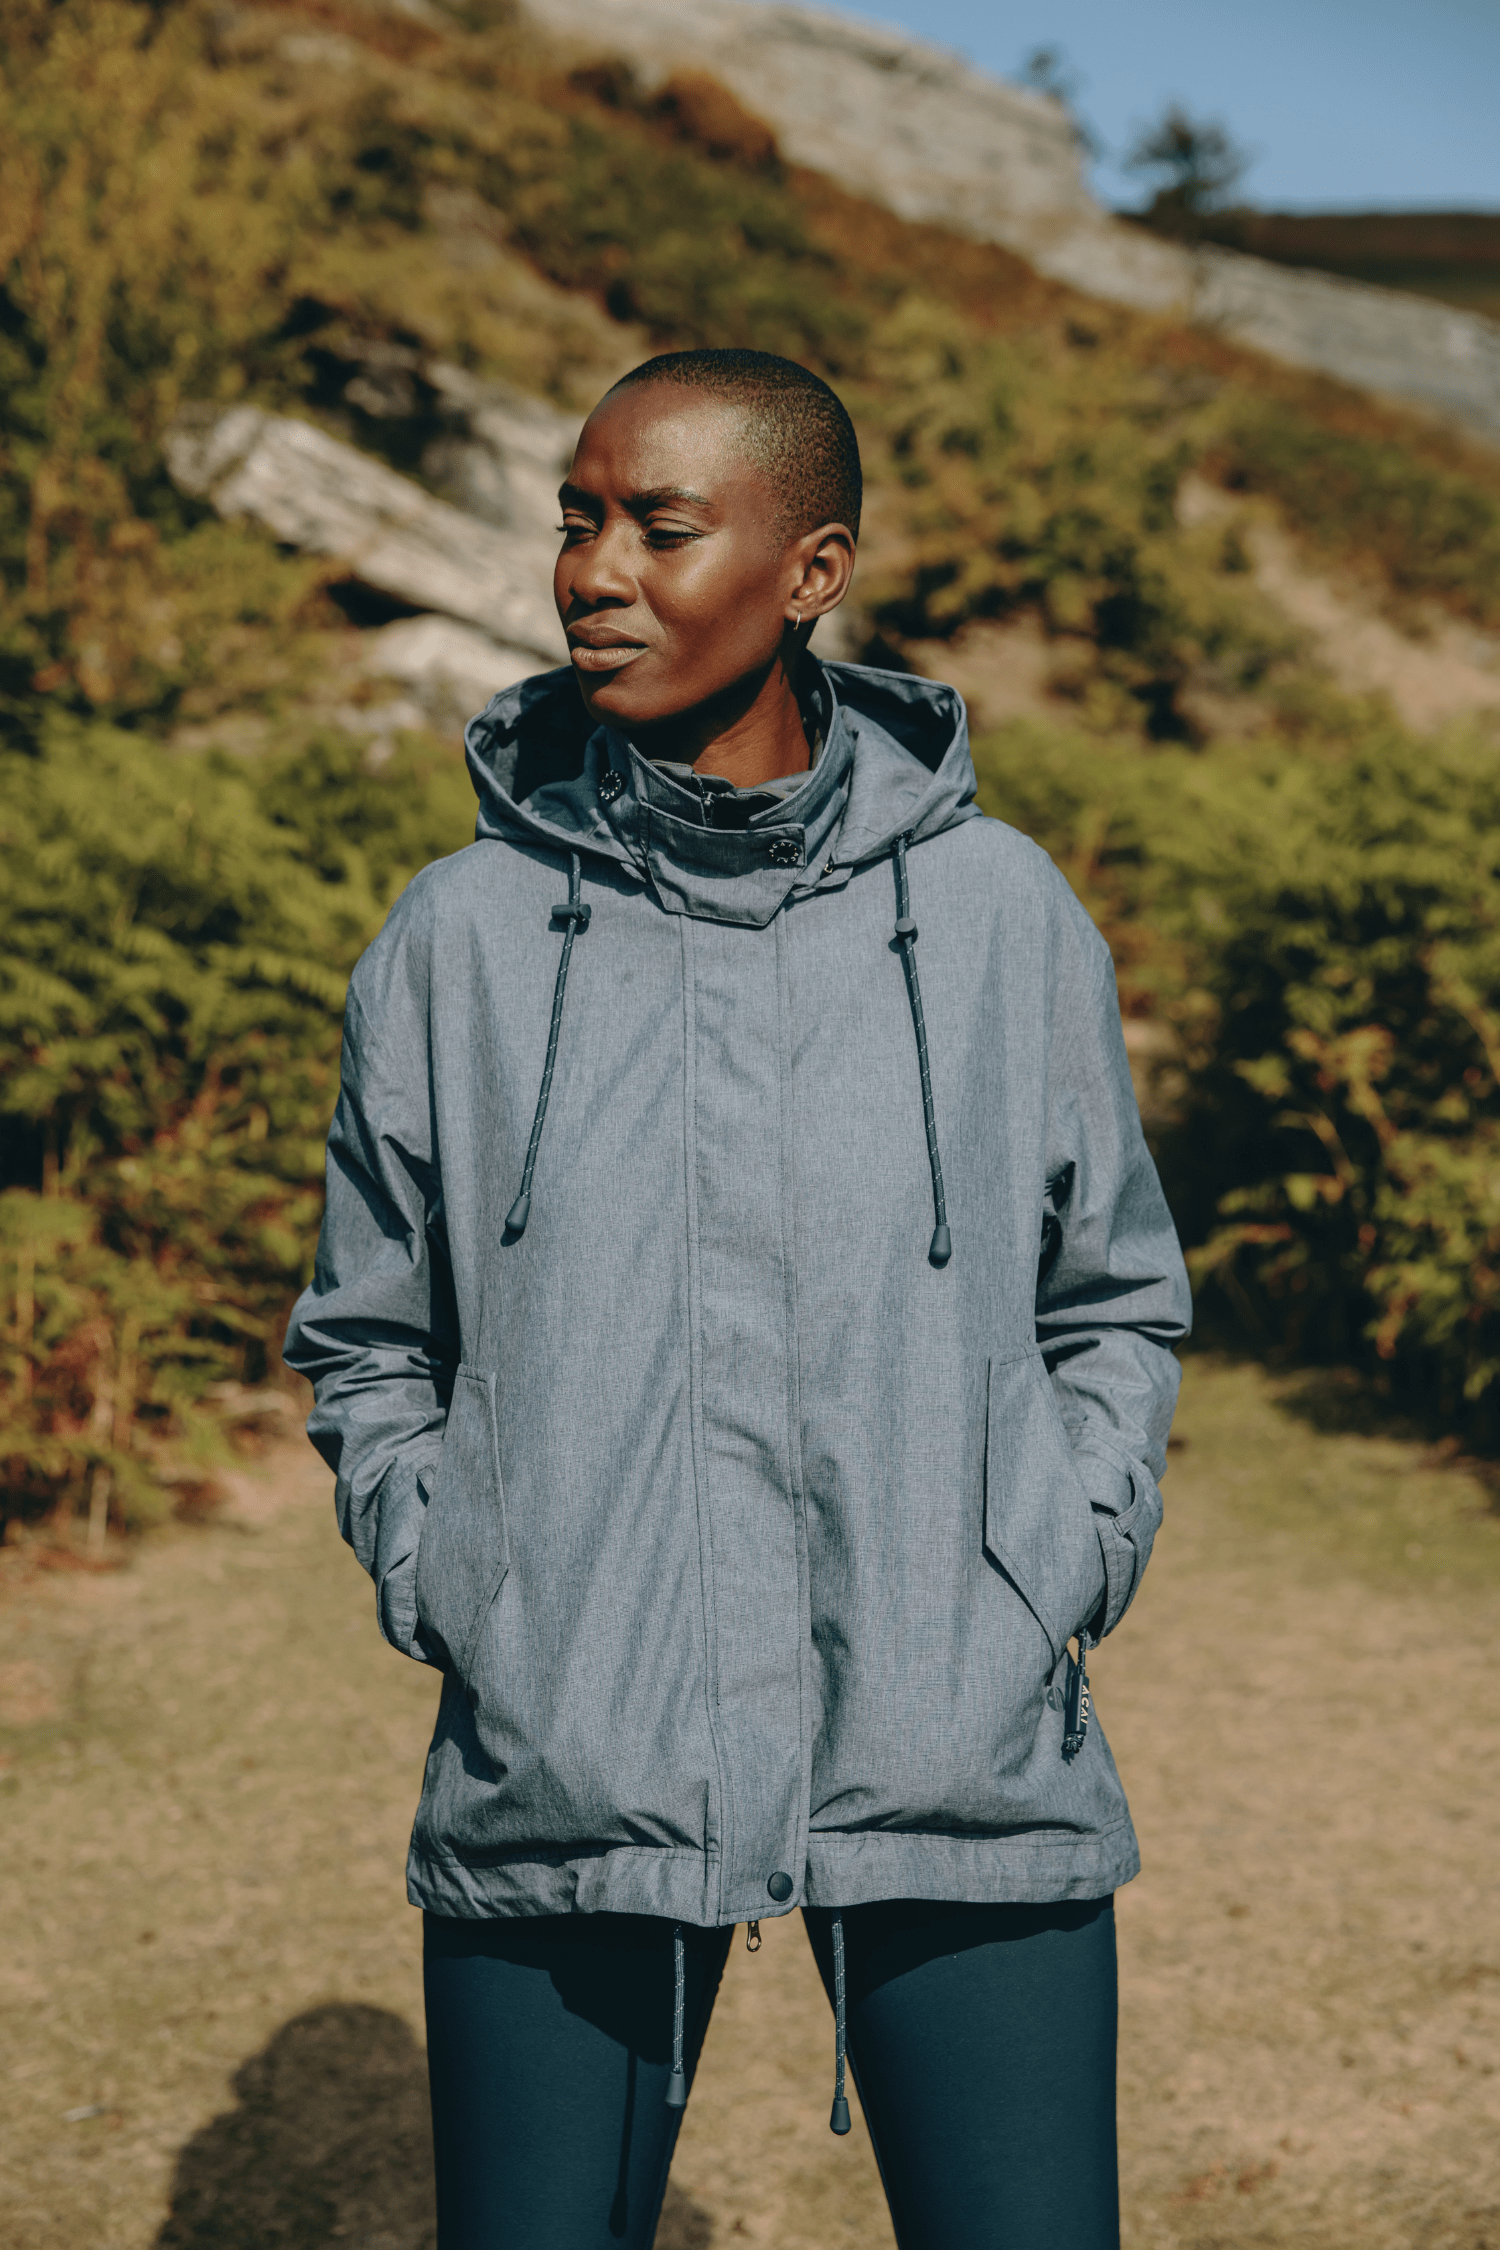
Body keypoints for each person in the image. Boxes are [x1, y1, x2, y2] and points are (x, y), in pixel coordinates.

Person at [283, 347, 1191, 2250]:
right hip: (570, 1756)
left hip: (962, 1745)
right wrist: (457, 1567)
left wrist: (1067, 1542)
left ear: (812, 570)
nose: (594, 571)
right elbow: (368, 1334)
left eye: (662, 526)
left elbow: (1111, 1294)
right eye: (577, 520)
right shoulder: (455, 941)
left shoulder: (1002, 915)